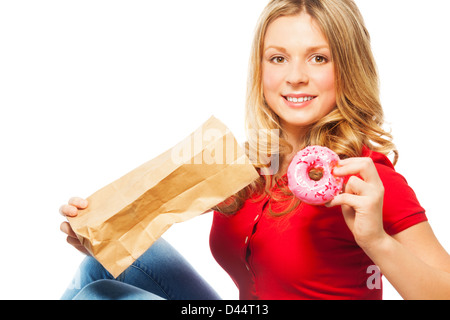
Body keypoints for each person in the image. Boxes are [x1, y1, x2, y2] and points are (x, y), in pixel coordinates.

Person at [60, 0, 450, 300]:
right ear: (261, 69)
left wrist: (376, 241)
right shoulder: (254, 162)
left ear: (347, 68)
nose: (295, 77)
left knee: (99, 296)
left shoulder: (363, 177)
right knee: (100, 267)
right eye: (278, 58)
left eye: (318, 58)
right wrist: (103, 229)